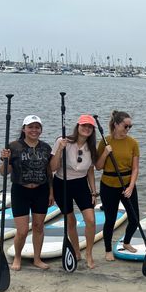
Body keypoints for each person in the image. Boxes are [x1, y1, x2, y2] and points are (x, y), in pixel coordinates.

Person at [0, 115, 53, 271]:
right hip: (20, 191)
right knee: (22, 231)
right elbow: (4, 173)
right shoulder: (13, 146)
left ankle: (37, 258)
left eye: (37, 127)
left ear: (41, 130)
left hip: (41, 190)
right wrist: (5, 160)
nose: (34, 130)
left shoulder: (45, 148)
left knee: (38, 227)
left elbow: (49, 171)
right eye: (30, 127)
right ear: (24, 129)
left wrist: (51, 192)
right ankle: (17, 257)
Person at [50, 115, 99, 269]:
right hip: (61, 183)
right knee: (70, 221)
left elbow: (90, 170)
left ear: (92, 131)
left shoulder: (91, 148)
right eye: (84, 125)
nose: (86, 128)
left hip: (81, 185)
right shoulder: (62, 141)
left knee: (90, 220)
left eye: (90, 127)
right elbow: (52, 167)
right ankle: (76, 251)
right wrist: (60, 149)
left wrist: (93, 191)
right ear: (78, 126)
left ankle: (89, 253)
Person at [95, 110, 140, 261]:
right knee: (110, 219)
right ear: (116, 125)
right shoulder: (105, 141)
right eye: (125, 126)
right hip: (108, 186)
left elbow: (135, 168)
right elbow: (98, 167)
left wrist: (131, 186)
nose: (127, 129)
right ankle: (108, 249)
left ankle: (126, 242)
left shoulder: (133, 143)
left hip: (127, 185)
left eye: (130, 127)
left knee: (134, 219)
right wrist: (105, 153)